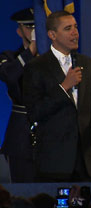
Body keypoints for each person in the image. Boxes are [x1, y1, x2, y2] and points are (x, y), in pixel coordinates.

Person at [22, 10, 91, 182]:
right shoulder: (36, 67)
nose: (75, 32)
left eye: (75, 27)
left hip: (85, 162)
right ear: (52, 35)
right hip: (54, 162)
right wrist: (64, 87)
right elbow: (35, 111)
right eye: (67, 28)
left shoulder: (86, 63)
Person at [0, 8, 37, 183]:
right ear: (19, 30)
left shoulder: (54, 59)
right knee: (23, 192)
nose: (35, 32)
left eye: (38, 27)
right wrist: (30, 52)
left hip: (52, 134)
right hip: (21, 134)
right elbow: (9, 75)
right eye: (30, 27)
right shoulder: (10, 57)